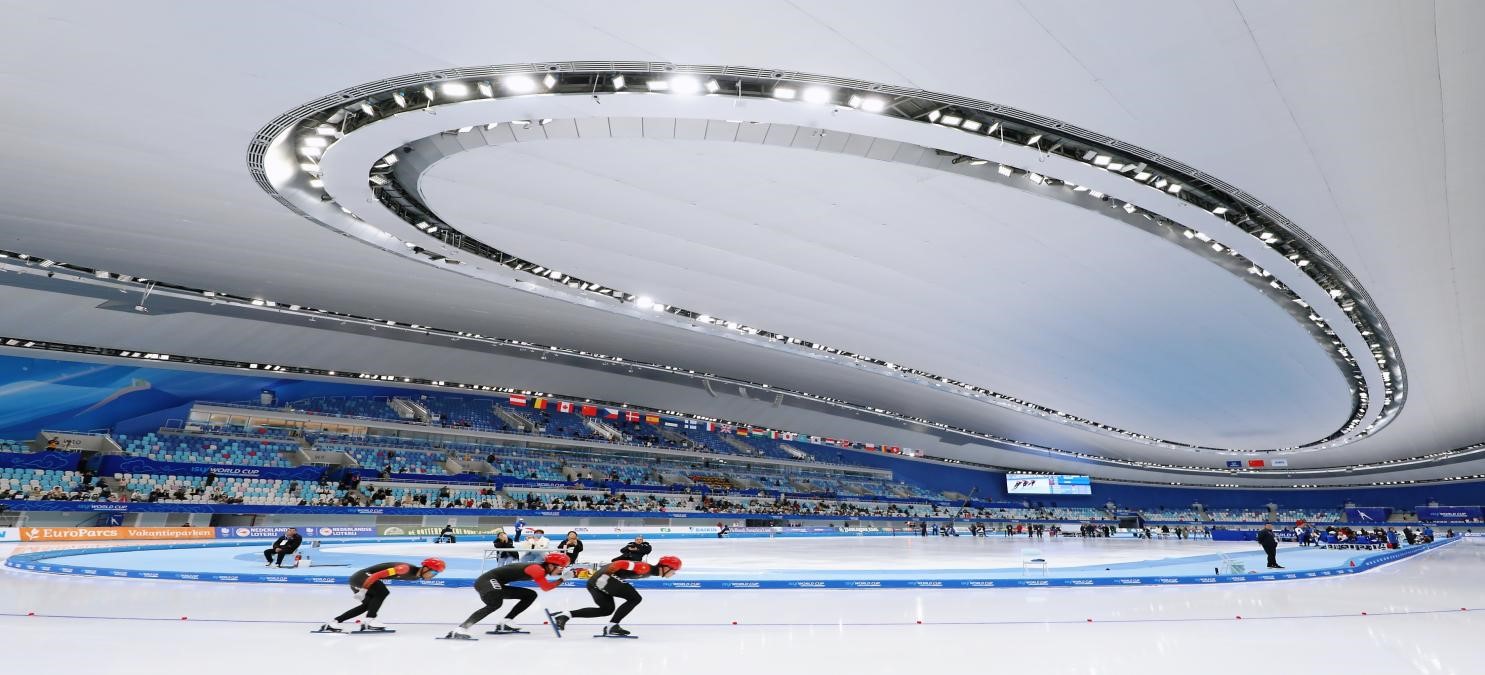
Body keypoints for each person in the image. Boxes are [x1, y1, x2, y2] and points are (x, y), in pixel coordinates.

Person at [549, 555, 682, 637]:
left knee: (606, 610)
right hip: (603, 579)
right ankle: (613, 626)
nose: (674, 574)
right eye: (674, 571)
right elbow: (619, 563)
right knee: (635, 598)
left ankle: (564, 615)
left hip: (594, 583)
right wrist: (605, 576)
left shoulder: (649, 571)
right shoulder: (645, 568)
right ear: (666, 568)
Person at [445, 552, 569, 639]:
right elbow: (546, 587)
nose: (561, 571)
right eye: (561, 568)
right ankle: (460, 629)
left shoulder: (541, 569)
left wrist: (562, 578)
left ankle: (506, 622)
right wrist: (563, 579)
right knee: (495, 603)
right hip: (486, 581)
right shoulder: (537, 569)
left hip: (495, 583)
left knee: (530, 595)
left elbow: (545, 585)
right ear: (551, 565)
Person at [319, 558, 445, 632]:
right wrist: (363, 590)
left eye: (436, 574)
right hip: (362, 577)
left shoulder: (415, 577)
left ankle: (332, 623)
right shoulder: (404, 569)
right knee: (383, 592)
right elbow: (376, 575)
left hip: (361, 580)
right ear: (425, 568)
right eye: (434, 572)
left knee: (368, 605)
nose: (434, 576)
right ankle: (369, 621)